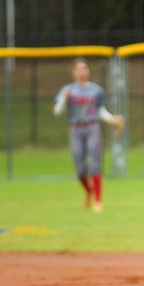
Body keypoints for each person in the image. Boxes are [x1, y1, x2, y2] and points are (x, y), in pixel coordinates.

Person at [53, 57, 123, 212]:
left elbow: (99, 111)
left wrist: (111, 119)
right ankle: (88, 191)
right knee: (80, 169)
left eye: (84, 68)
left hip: (92, 127)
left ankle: (98, 200)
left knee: (95, 164)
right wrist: (64, 97)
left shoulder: (96, 90)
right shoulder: (68, 89)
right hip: (76, 129)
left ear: (88, 71)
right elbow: (57, 111)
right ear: (73, 72)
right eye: (78, 69)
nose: (81, 72)